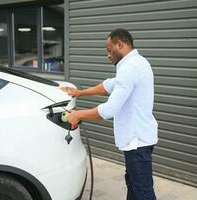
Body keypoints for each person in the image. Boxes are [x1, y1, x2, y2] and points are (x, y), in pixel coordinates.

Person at [60, 28, 158, 200]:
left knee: (143, 193)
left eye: (108, 49)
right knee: (134, 187)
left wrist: (78, 115)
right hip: (138, 140)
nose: (108, 54)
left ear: (120, 44)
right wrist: (80, 93)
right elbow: (108, 85)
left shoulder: (130, 68)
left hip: (137, 143)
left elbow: (109, 109)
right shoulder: (136, 63)